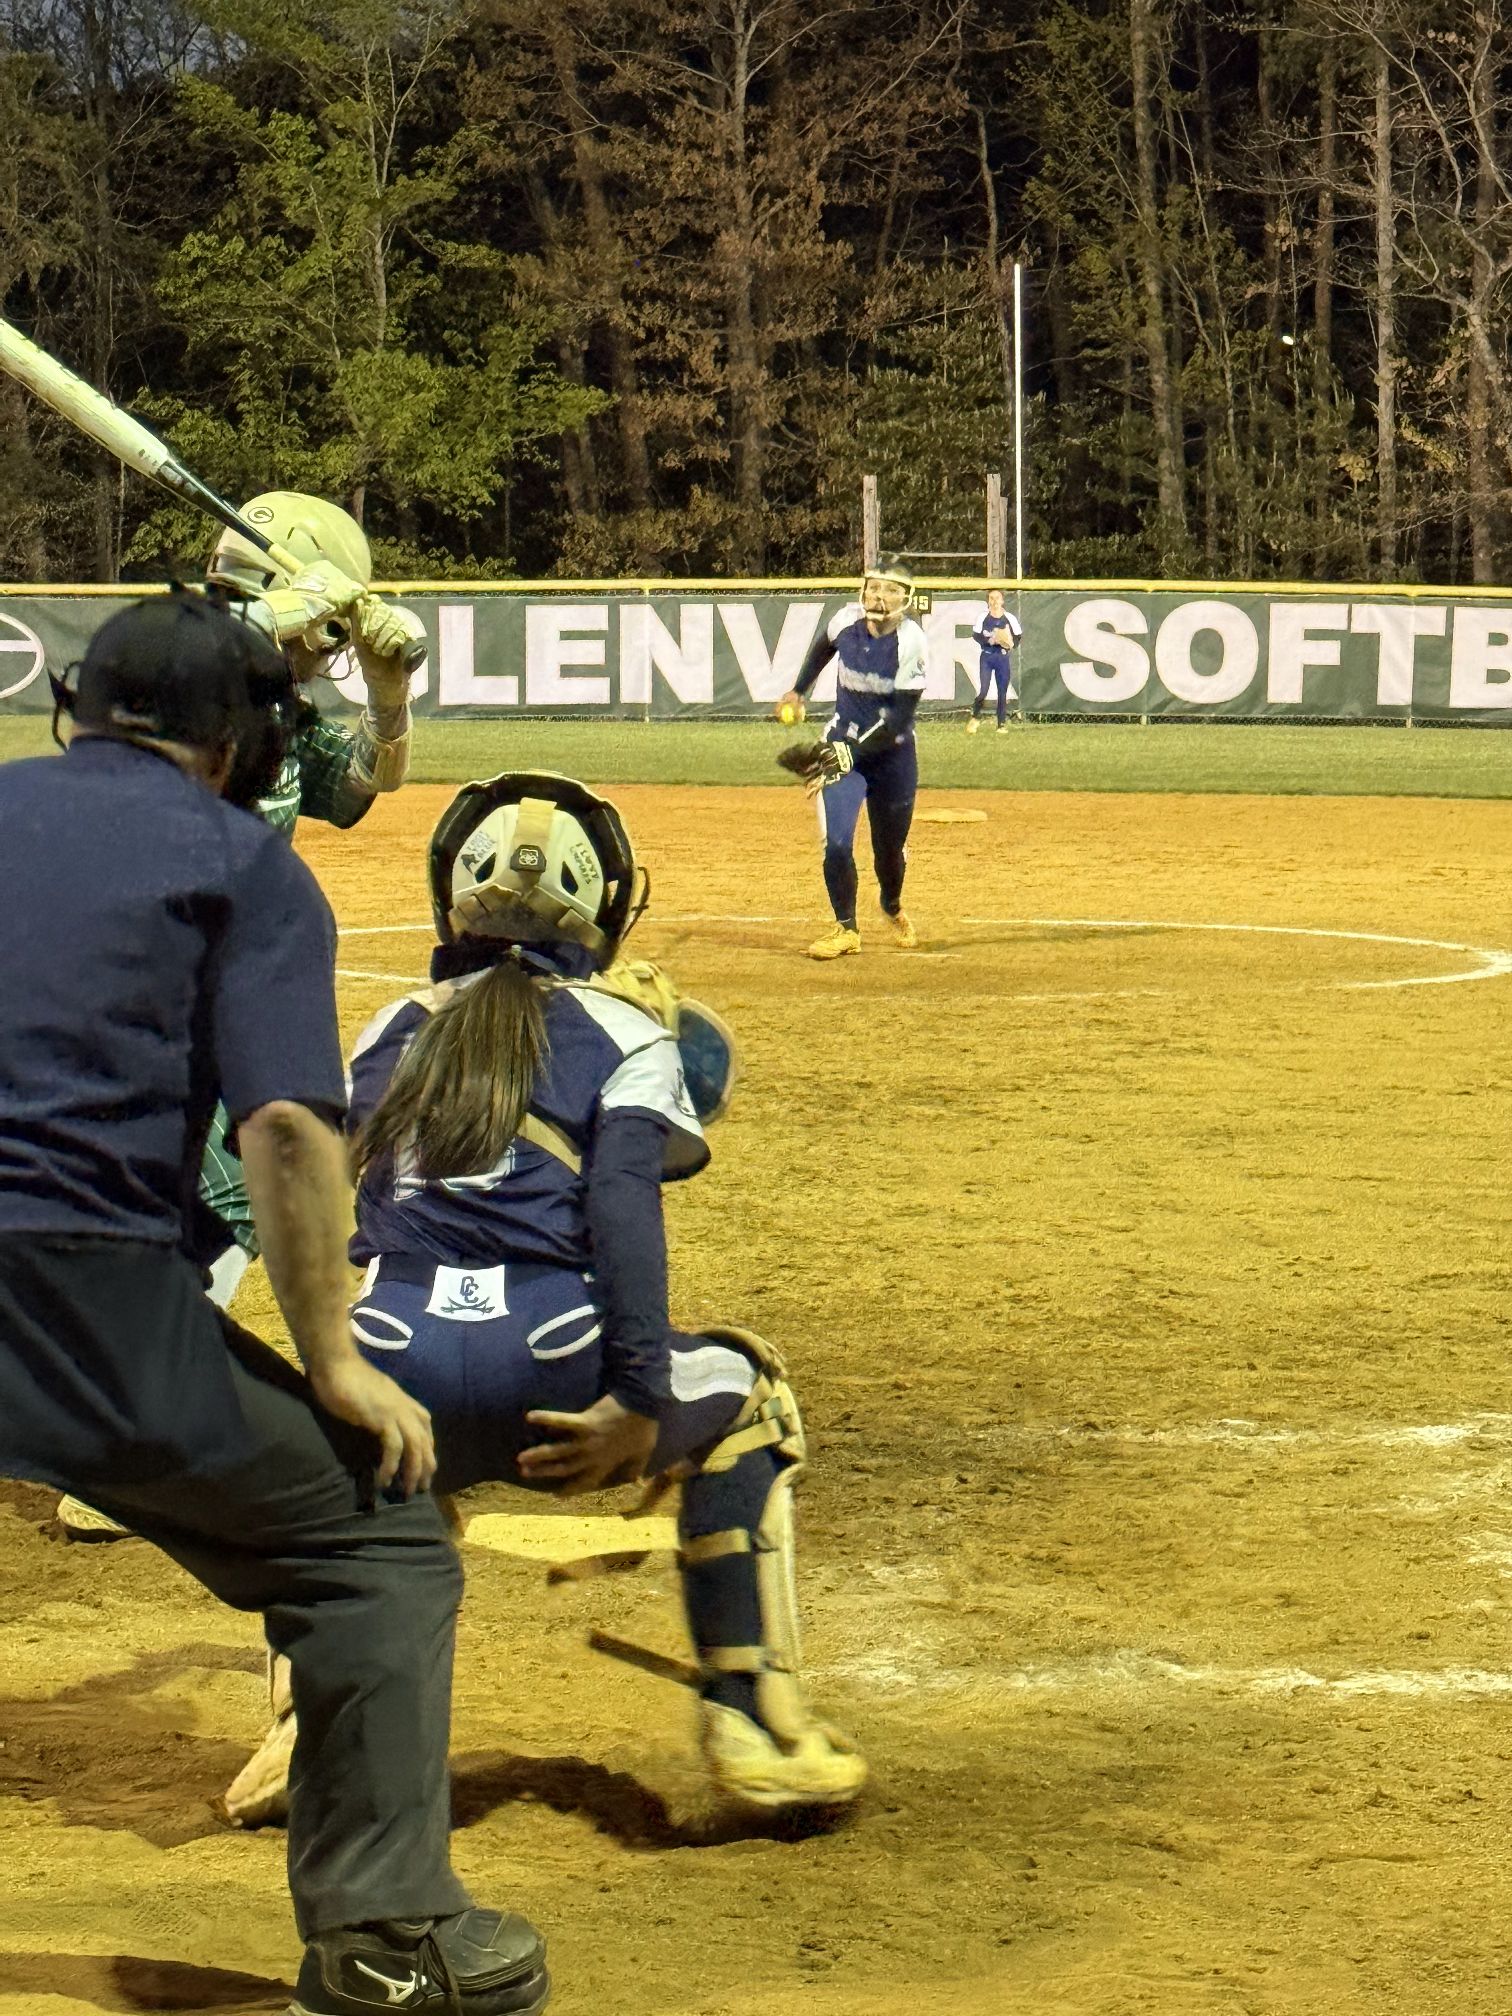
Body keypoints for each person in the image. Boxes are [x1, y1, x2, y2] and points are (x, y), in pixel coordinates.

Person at [0, 592, 549, 2016]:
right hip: (72, 1290)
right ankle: (386, 1943)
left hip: (72, 1279)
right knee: (377, 1546)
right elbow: (291, 1132)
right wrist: (334, 1361)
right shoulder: (243, 864)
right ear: (243, 744)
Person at [225, 771, 867, 1823]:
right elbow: (625, 1216)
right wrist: (639, 1395)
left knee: (343, 1455)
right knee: (751, 1399)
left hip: (395, 1364)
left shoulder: (391, 1026)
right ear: (602, 906)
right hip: (556, 1371)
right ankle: (760, 1726)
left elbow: (358, 1212)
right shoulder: (625, 1034)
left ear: (454, 895)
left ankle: (315, 1737)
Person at [58, 494, 420, 1538]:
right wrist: (274, 623)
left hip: (215, 984)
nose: (328, 645)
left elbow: (368, 781)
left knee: (194, 1200)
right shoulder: (177, 665)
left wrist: (390, 694)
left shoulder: (278, 708)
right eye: (324, 624)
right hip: (137, 976)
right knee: (229, 1193)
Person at [775, 554, 927, 961]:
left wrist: (850, 752)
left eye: (891, 589)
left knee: (888, 853)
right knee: (837, 844)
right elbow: (823, 647)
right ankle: (846, 929)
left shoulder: (911, 641)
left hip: (892, 758)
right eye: (874, 586)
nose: (880, 596)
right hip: (841, 746)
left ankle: (891, 904)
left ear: (906, 598)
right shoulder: (845, 620)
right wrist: (799, 689)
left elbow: (898, 718)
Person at [967, 588, 1022, 734]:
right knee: (983, 690)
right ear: (988, 601)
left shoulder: (1009, 618)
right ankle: (975, 716)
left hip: (1002, 657)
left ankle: (1001, 724)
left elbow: (1017, 637)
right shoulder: (983, 617)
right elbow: (976, 635)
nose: (994, 601)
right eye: (991, 598)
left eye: (997, 598)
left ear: (1002, 600)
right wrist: (991, 640)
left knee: (1002, 692)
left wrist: (1009, 643)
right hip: (987, 656)